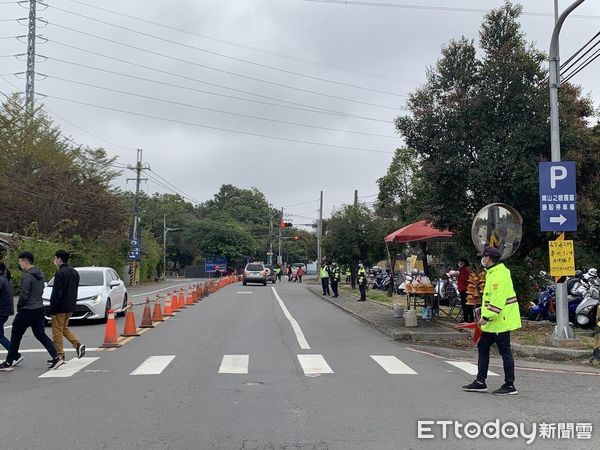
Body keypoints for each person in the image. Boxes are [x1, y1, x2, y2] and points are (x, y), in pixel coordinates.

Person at [462, 247, 521, 396]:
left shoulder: (499, 275)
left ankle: (509, 385)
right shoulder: (492, 273)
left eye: (483, 257)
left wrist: (486, 317)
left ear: (489, 258)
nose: (482, 259)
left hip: (500, 321)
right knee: (483, 347)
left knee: (505, 352)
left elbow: (498, 300)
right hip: (493, 321)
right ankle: (480, 382)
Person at [0, 252, 63, 372]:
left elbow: (24, 294)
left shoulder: (27, 276)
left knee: (16, 334)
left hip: (27, 310)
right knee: (40, 334)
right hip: (39, 308)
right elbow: (41, 290)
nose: (19, 264)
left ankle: (9, 360)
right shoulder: (39, 273)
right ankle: (56, 357)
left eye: (20, 262)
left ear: (25, 261)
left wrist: (20, 306)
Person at [50, 250, 85, 362]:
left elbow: (57, 293)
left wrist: (53, 309)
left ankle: (60, 355)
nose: (54, 260)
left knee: (57, 331)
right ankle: (78, 345)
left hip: (60, 307)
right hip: (70, 306)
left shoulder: (60, 273)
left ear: (60, 259)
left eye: (55, 258)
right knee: (64, 328)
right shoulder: (74, 272)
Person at [0, 262, 15, 356]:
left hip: (1, 311)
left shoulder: (1, 280)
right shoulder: (6, 279)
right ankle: (14, 354)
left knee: (0, 336)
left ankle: (14, 354)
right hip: (5, 311)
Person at [457, 258, 472, 322]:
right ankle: (469, 319)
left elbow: (463, 280)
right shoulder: (464, 269)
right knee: (468, 305)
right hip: (465, 289)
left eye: (460, 262)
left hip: (464, 289)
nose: (459, 264)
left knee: (465, 305)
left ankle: (466, 319)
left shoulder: (464, 270)